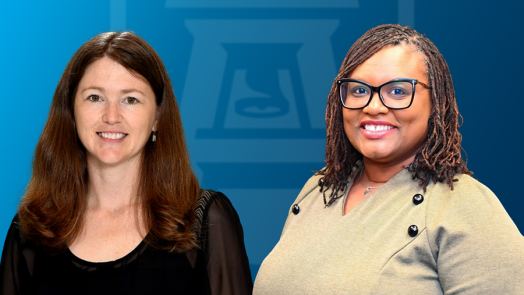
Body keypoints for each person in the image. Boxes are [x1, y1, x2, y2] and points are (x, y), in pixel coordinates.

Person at [253, 24, 524, 294]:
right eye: (359, 90)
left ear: (436, 103)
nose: (373, 107)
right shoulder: (318, 190)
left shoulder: (467, 207)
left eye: (397, 91)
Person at [0, 32, 252, 295]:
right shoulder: (30, 231)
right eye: (95, 97)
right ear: (71, 111)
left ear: (157, 117)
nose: (111, 116)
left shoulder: (206, 223)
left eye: (130, 99)